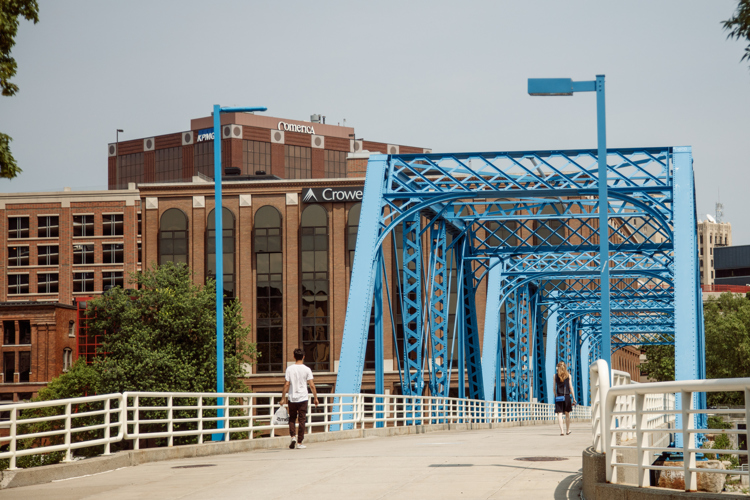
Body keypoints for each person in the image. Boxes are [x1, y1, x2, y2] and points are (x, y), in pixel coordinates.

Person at [280, 348, 319, 449]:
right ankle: (299, 442)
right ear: (304, 357)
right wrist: (315, 398)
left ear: (294, 357)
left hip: (292, 398)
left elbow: (287, 384)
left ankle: (293, 436)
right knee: (302, 420)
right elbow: (312, 385)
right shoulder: (307, 369)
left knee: (292, 418)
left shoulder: (289, 369)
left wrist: (283, 398)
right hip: (303, 398)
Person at [554, 361, 576, 436]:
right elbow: (571, 387)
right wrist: (574, 397)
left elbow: (554, 388)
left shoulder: (555, 376)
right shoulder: (568, 376)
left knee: (559, 414)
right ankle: (568, 430)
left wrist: (555, 395)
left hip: (559, 396)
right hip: (566, 396)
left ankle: (562, 431)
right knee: (567, 414)